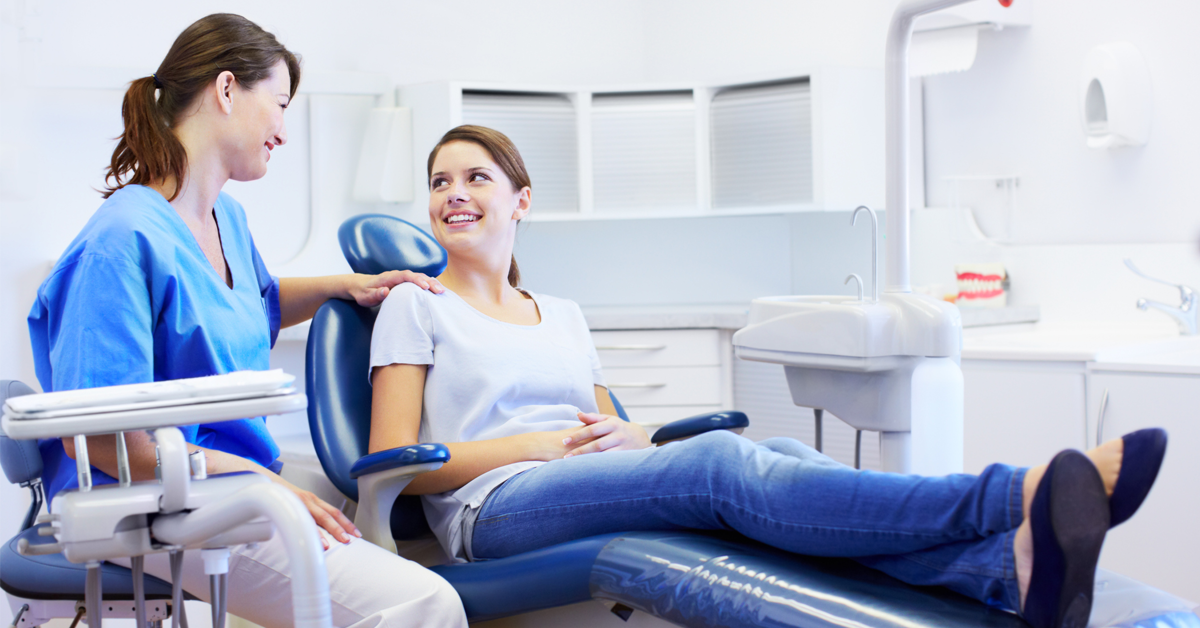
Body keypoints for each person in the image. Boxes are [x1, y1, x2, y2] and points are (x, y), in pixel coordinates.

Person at [368, 124, 1169, 628]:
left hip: (586, 475)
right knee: (722, 468)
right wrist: (538, 444)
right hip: (493, 509)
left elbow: (617, 422)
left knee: (790, 460)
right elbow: (397, 466)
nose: (455, 195)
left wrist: (634, 433)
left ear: (521, 201)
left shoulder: (564, 312)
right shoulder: (417, 305)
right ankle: (1012, 495)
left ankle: (1004, 569)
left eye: (476, 178)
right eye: (440, 182)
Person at [28, 14, 467, 628]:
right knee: (422, 602)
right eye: (280, 104)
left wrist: (348, 286)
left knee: (402, 530)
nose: (284, 132)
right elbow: (106, 440)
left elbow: (247, 305)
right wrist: (263, 483)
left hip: (217, 479)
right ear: (227, 90)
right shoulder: (120, 240)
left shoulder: (224, 219)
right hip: (145, 498)